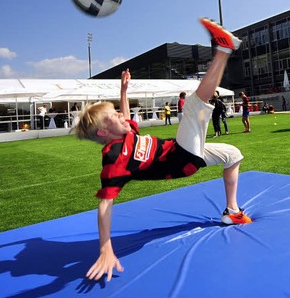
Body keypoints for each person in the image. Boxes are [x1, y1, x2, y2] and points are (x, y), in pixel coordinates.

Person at [75, 18, 252, 282]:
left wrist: (123, 91)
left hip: (185, 151)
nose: (121, 116)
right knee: (193, 104)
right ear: (103, 133)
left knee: (233, 154)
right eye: (113, 115)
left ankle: (231, 211)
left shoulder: (126, 134)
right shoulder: (114, 158)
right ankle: (224, 49)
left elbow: (125, 116)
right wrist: (105, 248)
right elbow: (105, 204)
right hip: (181, 158)